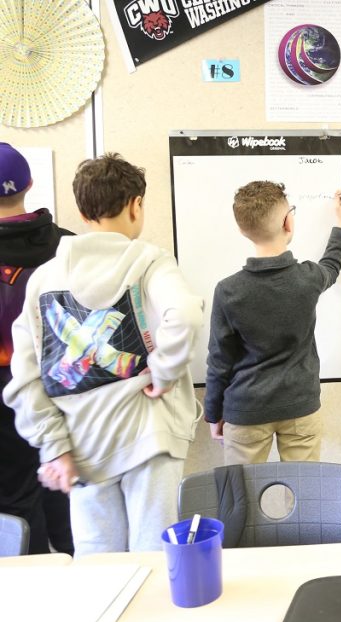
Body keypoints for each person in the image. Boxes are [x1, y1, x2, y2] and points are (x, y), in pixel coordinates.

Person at [3, 153, 204, 555]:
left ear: (81, 211)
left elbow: (24, 377)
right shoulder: (150, 261)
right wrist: (163, 373)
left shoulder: (44, 278)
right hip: (149, 437)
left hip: (81, 442)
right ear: (136, 205)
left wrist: (52, 444)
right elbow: (185, 315)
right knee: (153, 556)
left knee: (97, 561)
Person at [204, 181, 341, 464]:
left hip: (244, 410)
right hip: (300, 406)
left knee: (240, 500)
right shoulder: (307, 277)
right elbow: (332, 265)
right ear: (288, 221)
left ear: (241, 229)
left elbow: (219, 360)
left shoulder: (228, 290)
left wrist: (213, 413)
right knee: (305, 499)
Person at [0, 143, 75, 555]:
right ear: (30, 183)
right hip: (62, 387)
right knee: (64, 491)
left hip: (4, 398)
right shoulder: (68, 247)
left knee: (14, 507)